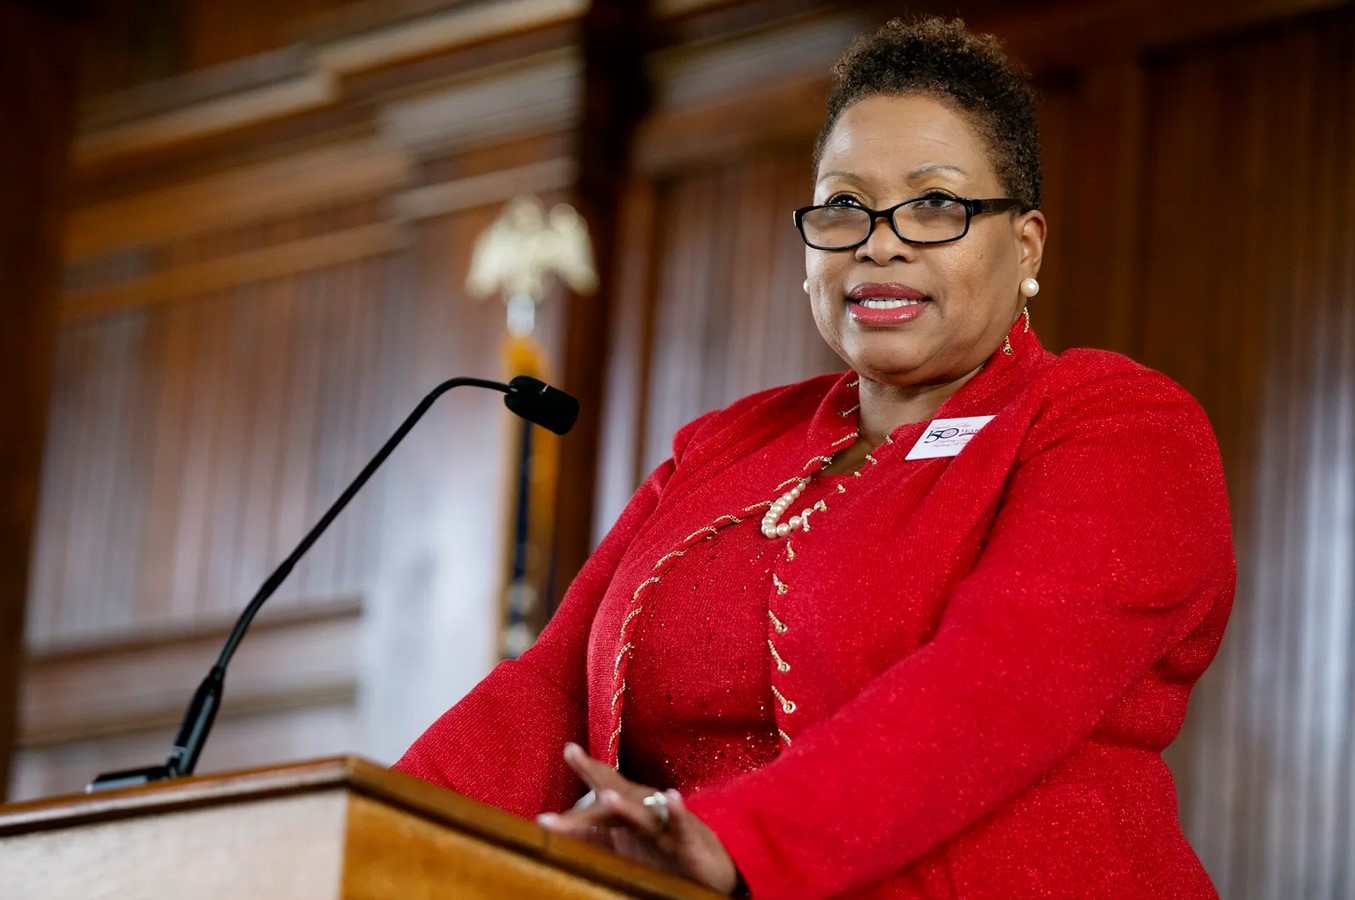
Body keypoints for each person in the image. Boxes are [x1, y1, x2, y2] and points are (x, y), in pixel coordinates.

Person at [395, 16, 1234, 899]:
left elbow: (997, 685)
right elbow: (549, 693)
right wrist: (366, 828)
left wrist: (735, 840)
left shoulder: (1116, 424)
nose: (879, 240)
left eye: (934, 204)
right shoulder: (725, 443)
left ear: (1023, 245)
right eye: (843, 206)